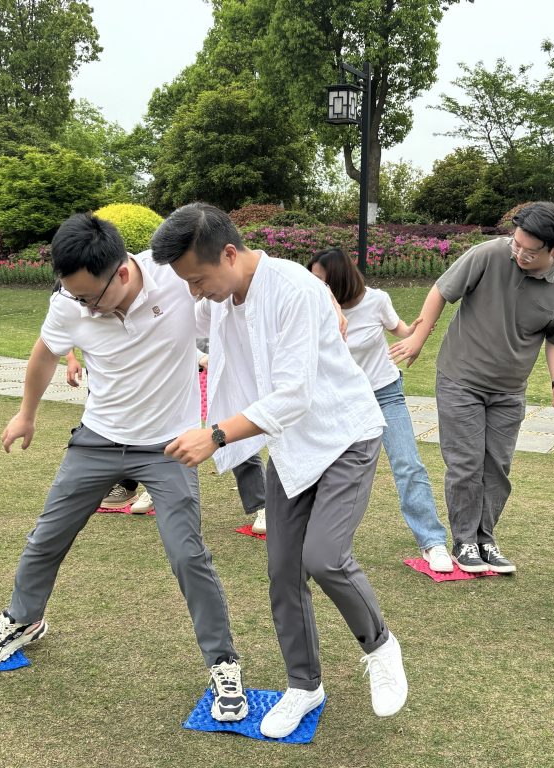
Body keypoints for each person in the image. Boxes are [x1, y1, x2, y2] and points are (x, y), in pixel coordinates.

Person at [0, 213, 247, 723]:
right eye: (73, 298)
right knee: (45, 536)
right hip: (98, 438)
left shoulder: (175, 279)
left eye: (89, 299)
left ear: (122, 273)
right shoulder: (68, 303)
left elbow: (248, 282)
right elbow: (45, 353)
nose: (82, 309)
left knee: (188, 555)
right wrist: (26, 412)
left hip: (169, 445)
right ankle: (24, 620)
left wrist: (323, 310)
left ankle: (223, 661)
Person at [151, 202, 408, 739]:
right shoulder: (218, 293)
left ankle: (381, 646)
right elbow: (155, 289)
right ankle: (304, 684)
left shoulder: (293, 288)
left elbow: (293, 394)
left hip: (344, 435)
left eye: (198, 280)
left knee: (324, 557)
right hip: (290, 449)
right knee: (283, 571)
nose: (195, 293)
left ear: (228, 253)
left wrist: (217, 434)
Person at [388, 202, 554, 574]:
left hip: (509, 389)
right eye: (517, 244)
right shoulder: (489, 254)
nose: (520, 253)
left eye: (531, 250)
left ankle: (485, 539)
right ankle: (464, 541)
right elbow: (441, 291)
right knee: (465, 463)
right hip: (462, 378)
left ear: (553, 250)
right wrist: (418, 339)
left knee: (497, 466)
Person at [306, 248, 452, 573]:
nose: (316, 287)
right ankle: (301, 527)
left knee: (407, 464)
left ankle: (433, 543)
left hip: (385, 393)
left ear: (341, 280)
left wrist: (414, 332)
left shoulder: (376, 299)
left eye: (322, 281)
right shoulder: (314, 308)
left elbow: (399, 328)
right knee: (319, 463)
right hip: (341, 399)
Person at [64, 350, 154, 515]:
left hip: (136, 366)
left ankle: (143, 488)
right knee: (103, 420)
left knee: (138, 417)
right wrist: (71, 358)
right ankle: (117, 484)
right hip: (101, 369)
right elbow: (62, 328)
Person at [197, 345, 266, 534]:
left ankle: (266, 505)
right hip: (209, 371)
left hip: (253, 365)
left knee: (244, 436)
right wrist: (199, 356)